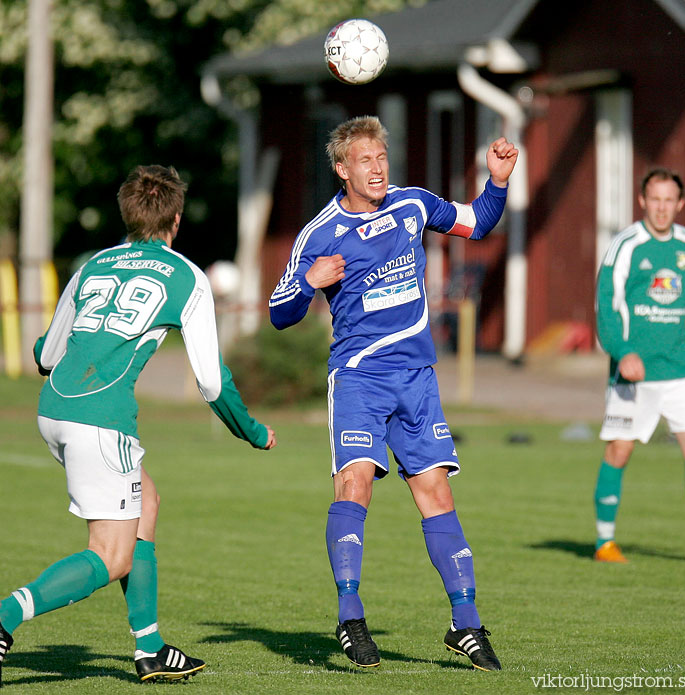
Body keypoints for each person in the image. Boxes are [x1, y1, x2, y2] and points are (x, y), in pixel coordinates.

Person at [0, 165, 276, 686]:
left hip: (53, 409)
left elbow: (46, 354)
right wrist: (252, 431)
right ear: (175, 218)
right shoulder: (186, 275)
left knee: (145, 502)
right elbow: (212, 383)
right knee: (112, 555)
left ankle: (149, 648)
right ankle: (5, 617)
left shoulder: (93, 265)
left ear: (127, 214)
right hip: (100, 422)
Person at [269, 116, 517, 670]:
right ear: (342, 169)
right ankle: (351, 617)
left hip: (417, 379)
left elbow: (476, 224)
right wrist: (310, 283)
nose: (378, 169)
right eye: (365, 160)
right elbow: (278, 312)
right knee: (355, 484)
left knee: (436, 495)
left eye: (382, 158)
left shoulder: (411, 205)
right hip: (358, 377)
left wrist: (497, 182)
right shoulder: (320, 233)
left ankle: (466, 624)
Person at [594, 167, 685, 563]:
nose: (661, 208)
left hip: (681, 368)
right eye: (654, 200)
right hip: (633, 372)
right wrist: (624, 352)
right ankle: (605, 542)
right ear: (642, 201)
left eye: (669, 200)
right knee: (619, 451)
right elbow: (606, 306)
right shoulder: (626, 245)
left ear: (680, 204)